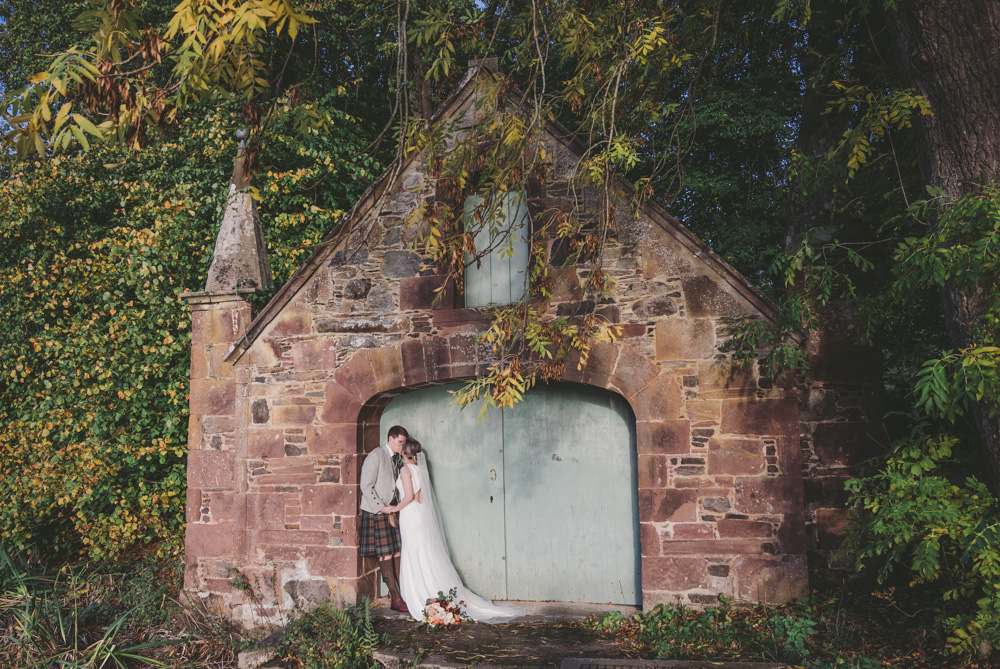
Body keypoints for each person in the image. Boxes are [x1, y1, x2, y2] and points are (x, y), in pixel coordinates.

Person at [385, 437, 524, 624]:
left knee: (414, 553)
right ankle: (433, 590)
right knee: (424, 553)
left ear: (403, 453)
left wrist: (393, 509)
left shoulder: (405, 469)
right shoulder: (420, 469)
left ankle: (419, 594)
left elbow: (409, 496)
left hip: (410, 516)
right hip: (419, 516)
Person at [359, 425, 409, 613]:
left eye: (403, 442)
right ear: (390, 438)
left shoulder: (397, 458)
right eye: (399, 442)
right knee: (386, 554)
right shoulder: (376, 455)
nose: (402, 446)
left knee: (397, 552)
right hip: (377, 512)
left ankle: (400, 593)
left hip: (392, 511)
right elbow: (366, 485)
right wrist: (382, 508)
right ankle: (395, 598)